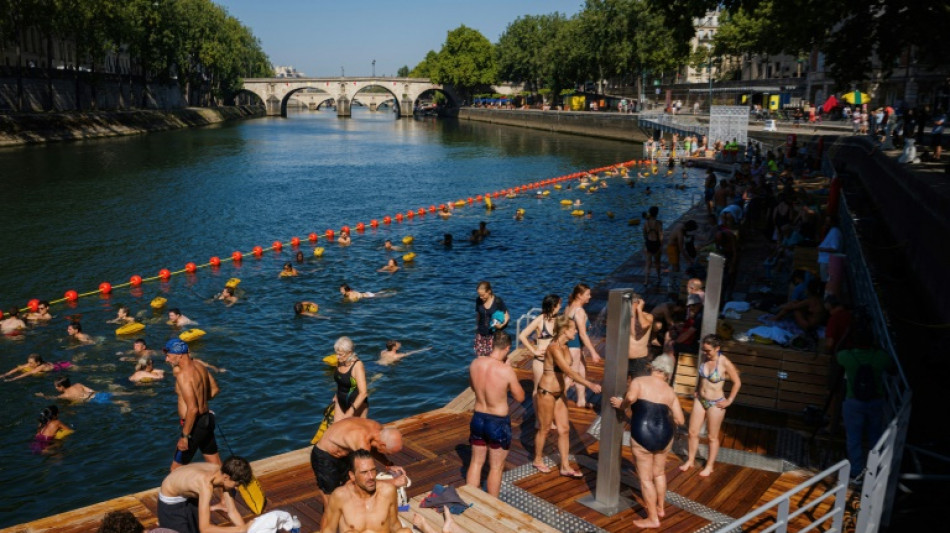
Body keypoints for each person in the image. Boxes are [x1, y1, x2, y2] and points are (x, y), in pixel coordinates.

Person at [609, 355, 684, 529]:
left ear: (653, 367)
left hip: (642, 431)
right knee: (659, 474)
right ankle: (660, 508)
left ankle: (652, 519)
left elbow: (631, 399)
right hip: (665, 434)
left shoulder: (639, 381)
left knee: (645, 479)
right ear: (667, 374)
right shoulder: (670, 391)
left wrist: (622, 405)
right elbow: (680, 419)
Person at [533, 314, 602, 478]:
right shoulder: (554, 348)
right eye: (573, 329)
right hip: (547, 392)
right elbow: (568, 370)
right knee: (544, 429)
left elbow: (571, 371)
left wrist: (570, 380)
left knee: (564, 430)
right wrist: (589, 384)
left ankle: (564, 466)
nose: (576, 331)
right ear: (565, 330)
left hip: (560, 393)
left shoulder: (565, 347)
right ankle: (537, 459)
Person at [466, 331, 525, 497]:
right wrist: (509, 371)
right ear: (507, 348)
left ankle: (470, 498)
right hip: (497, 422)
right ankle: (492, 505)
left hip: (478, 417)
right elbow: (520, 396)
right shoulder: (505, 370)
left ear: (491, 345)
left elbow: (472, 386)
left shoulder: (475, 363)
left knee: (476, 462)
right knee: (496, 467)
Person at [836, 321, 892, 485]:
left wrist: (845, 336)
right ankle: (876, 470)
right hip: (875, 401)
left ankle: (856, 472)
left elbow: (836, 354)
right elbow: (892, 368)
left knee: (854, 437)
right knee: (875, 435)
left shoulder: (847, 356)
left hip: (853, 402)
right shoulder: (880, 357)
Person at [310, 418, 406, 510]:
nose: (386, 454)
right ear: (383, 445)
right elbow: (365, 480)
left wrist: (388, 464)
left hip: (345, 453)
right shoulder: (361, 440)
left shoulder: (378, 431)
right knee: (331, 502)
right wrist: (393, 483)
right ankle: (330, 525)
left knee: (349, 486)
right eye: (388, 453)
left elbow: (373, 447)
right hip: (325, 456)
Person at [681, 335, 742, 476]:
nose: (704, 352)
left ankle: (709, 465)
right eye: (703, 349)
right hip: (701, 399)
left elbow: (737, 382)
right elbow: (702, 377)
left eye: (708, 350)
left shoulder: (724, 362)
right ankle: (690, 459)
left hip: (716, 403)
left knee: (712, 437)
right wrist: (697, 389)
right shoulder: (704, 358)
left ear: (717, 348)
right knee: (692, 432)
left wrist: (730, 400)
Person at [320, 449, 410, 533]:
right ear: (352, 476)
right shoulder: (340, 496)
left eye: (373, 470)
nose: (370, 477)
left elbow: (394, 525)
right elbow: (329, 529)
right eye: (364, 472)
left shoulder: (387, 491)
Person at [165, 339, 221, 471]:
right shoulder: (200, 366)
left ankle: (198, 491)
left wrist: (185, 437)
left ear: (179, 355)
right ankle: (227, 491)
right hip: (206, 420)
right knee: (216, 467)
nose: (166, 360)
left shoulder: (183, 376)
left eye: (168, 355)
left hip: (193, 426)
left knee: (175, 471)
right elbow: (214, 390)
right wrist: (201, 401)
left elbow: (193, 409)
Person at [157, 456, 253, 533]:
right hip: (171, 501)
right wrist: (240, 530)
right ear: (226, 477)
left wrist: (245, 529)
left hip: (190, 494)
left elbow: (232, 511)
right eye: (236, 484)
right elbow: (205, 529)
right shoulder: (206, 485)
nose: (237, 488)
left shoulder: (224, 473)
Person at [565, 283, 601, 408]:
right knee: (571, 377)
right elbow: (582, 334)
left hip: (570, 346)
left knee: (582, 370)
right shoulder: (579, 312)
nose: (590, 297)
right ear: (579, 296)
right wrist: (593, 352)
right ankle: (555, 402)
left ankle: (581, 401)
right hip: (574, 347)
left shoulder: (569, 307)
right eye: (587, 294)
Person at [517, 294, 561, 394]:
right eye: (559, 304)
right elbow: (522, 335)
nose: (560, 307)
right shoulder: (540, 319)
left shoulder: (559, 319)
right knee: (538, 390)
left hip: (555, 361)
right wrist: (533, 351)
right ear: (553, 306)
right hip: (541, 361)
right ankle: (537, 409)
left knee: (554, 390)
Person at [333, 336, 369, 420]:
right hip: (340, 402)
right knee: (338, 431)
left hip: (357, 405)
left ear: (349, 353)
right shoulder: (340, 361)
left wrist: (351, 411)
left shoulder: (357, 366)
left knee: (356, 432)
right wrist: (336, 395)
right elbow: (341, 381)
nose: (337, 357)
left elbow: (363, 393)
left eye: (340, 354)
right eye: (336, 353)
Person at [474, 281, 508, 357]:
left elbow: (506, 316)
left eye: (483, 295)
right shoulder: (478, 300)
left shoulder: (498, 301)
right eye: (479, 295)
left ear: (489, 291)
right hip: (480, 333)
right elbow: (478, 314)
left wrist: (501, 325)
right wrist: (476, 327)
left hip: (494, 334)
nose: (481, 297)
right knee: (480, 357)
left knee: (491, 357)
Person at [628, 295, 654, 379]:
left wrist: (638, 309)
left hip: (639, 359)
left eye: (632, 303)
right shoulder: (624, 317)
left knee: (639, 386)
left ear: (639, 303)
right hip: (622, 358)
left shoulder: (648, 316)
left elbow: (644, 325)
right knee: (617, 389)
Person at [3, 353, 72, 381]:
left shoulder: (41, 367)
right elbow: (18, 368)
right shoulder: (32, 364)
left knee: (76, 367)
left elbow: (29, 373)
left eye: (31, 363)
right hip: (57, 363)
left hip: (62, 367)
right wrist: (5, 374)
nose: (29, 364)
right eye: (28, 362)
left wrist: (13, 379)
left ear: (38, 363)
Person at [817, 216, 842, 282]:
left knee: (826, 282)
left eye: (828, 221)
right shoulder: (832, 231)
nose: (826, 223)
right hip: (825, 260)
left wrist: (822, 249)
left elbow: (834, 248)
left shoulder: (835, 232)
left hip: (827, 261)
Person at [643, 206, 663, 285]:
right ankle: (658, 277)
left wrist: (646, 242)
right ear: (656, 214)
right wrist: (661, 245)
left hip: (649, 243)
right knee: (657, 262)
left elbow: (644, 234)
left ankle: (646, 281)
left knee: (648, 263)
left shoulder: (646, 223)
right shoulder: (658, 223)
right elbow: (660, 235)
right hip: (656, 243)